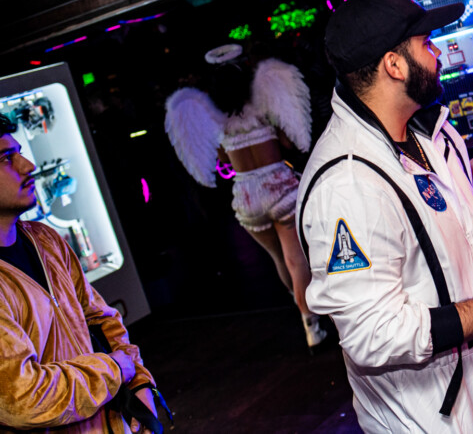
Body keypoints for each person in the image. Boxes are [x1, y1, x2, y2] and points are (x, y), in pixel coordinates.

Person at [298, 0, 473, 433]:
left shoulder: (434, 136)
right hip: (438, 422)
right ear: (394, 64)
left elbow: (456, 233)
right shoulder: (347, 184)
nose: (439, 56)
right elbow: (375, 334)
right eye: (427, 44)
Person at [0, 115, 162, 433]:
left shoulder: (44, 238)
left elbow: (103, 320)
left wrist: (141, 383)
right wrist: (116, 369)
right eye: (7, 158)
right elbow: (21, 396)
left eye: (19, 152)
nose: (27, 165)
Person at [164, 45, 326, 350]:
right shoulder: (263, 111)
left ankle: (301, 304)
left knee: (278, 259)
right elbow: (290, 143)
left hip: (247, 198)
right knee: (295, 258)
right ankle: (311, 325)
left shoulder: (217, 124)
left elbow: (223, 161)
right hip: (279, 188)